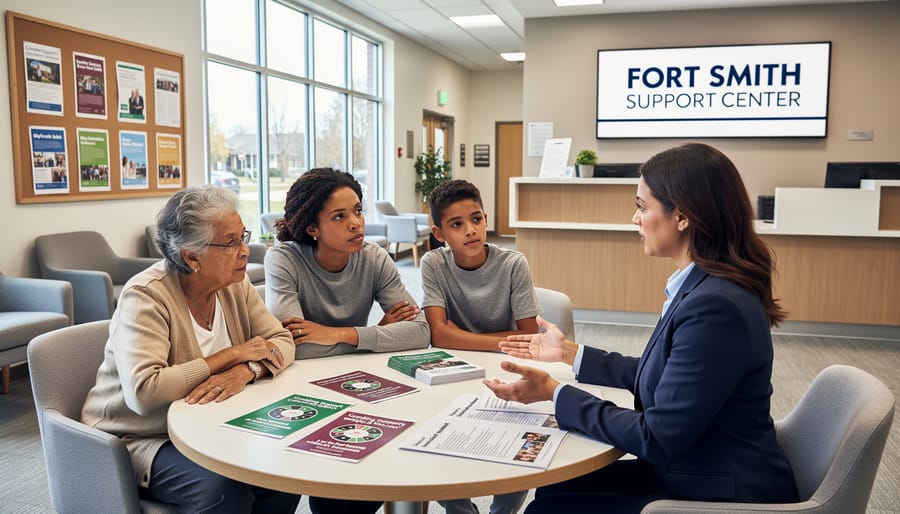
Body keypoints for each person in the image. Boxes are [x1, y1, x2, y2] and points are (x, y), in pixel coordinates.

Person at [484, 143, 800, 513]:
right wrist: (569, 353)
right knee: (552, 492)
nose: (634, 219)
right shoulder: (704, 287)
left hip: (718, 491)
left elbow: (657, 437)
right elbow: (668, 376)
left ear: (682, 216)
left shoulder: (715, 307)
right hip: (695, 467)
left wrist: (554, 393)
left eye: (641, 206)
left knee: (548, 507)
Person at [80, 185, 300, 513]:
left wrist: (247, 370)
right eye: (231, 242)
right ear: (191, 256)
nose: (245, 250)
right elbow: (145, 391)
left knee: (280, 472)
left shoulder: (234, 284)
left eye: (243, 236)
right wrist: (232, 354)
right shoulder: (145, 296)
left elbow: (282, 342)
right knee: (226, 488)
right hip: (140, 438)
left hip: (213, 424)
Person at [264, 167, 430, 514]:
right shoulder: (284, 259)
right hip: (296, 391)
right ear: (313, 227)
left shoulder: (374, 257)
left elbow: (420, 332)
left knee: (353, 493)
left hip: (360, 388)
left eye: (357, 210)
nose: (356, 223)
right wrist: (379, 332)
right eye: (340, 216)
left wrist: (339, 334)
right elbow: (292, 346)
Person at [421, 179, 538, 514]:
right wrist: (502, 336)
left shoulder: (514, 263)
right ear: (440, 233)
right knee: (430, 435)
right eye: (457, 224)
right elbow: (439, 337)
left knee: (522, 439)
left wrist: (457, 332)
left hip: (507, 368)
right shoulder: (433, 263)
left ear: (486, 218)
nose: (470, 231)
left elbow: (529, 338)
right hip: (453, 370)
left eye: (476, 219)